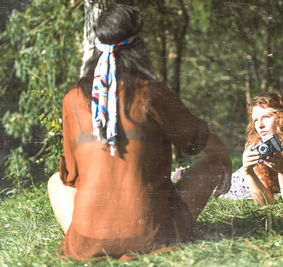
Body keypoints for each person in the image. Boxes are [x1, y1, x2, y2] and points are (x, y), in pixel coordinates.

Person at [47, 4, 232, 261]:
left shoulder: (73, 99)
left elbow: (70, 177)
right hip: (154, 236)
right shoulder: (151, 92)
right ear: (139, 44)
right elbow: (198, 141)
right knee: (212, 162)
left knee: (56, 181)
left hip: (88, 242)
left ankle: (87, 239)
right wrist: (224, 158)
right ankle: (124, 235)